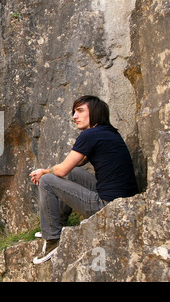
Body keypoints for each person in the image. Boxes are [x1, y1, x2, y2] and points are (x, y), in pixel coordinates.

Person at [29, 95, 139, 264]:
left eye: (80, 111)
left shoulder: (90, 135)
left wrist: (44, 171)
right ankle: (57, 224)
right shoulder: (108, 132)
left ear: (94, 113)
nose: (74, 116)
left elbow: (63, 168)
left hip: (107, 206)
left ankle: (52, 240)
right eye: (74, 112)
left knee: (47, 181)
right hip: (123, 202)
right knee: (74, 173)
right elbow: (75, 164)